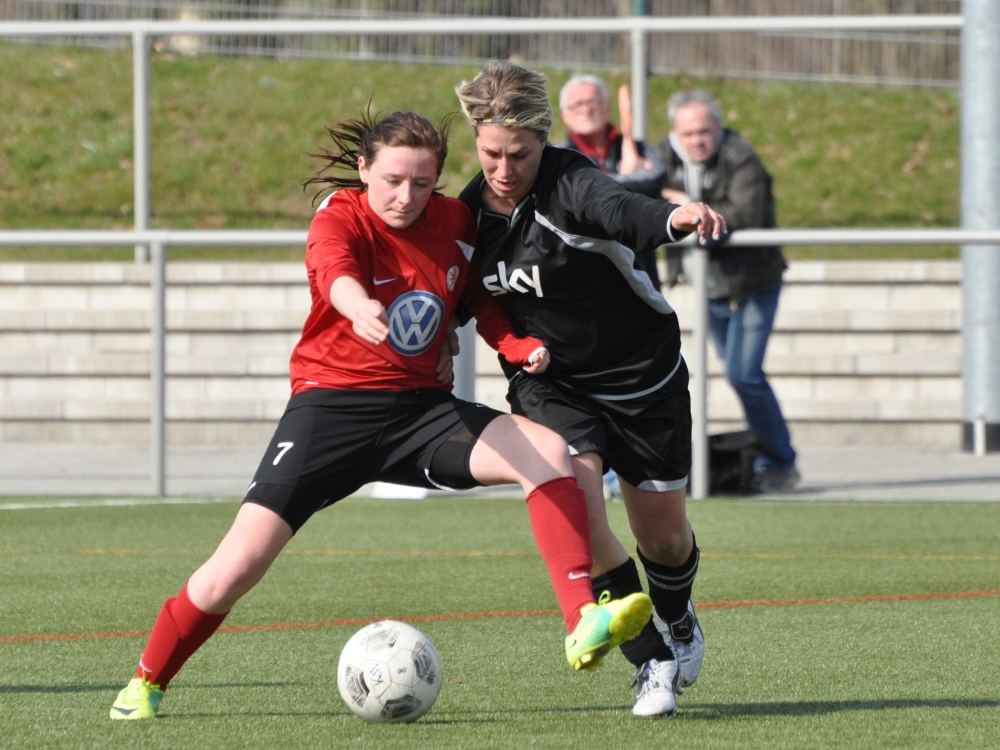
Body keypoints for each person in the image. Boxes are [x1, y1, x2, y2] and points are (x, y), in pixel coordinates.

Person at [108, 110, 654, 721]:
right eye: (393, 180)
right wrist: (358, 305)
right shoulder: (339, 214)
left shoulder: (454, 220)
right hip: (330, 411)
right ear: (364, 168)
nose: (406, 196)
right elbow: (335, 273)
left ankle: (581, 619)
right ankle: (146, 682)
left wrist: (512, 343)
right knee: (233, 570)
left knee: (548, 451)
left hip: (422, 412)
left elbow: (474, 294)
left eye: (422, 183)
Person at [454, 61, 727, 718]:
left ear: (542, 140)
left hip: (642, 380)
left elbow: (622, 210)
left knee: (664, 539)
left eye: (519, 154)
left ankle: (678, 616)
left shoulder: (572, 182)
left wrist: (676, 217)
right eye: (491, 153)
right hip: (552, 386)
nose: (503, 168)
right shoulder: (467, 216)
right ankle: (652, 659)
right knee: (577, 510)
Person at [654, 89, 799, 492]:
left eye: (704, 131)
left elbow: (743, 214)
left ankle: (782, 461)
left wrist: (688, 205)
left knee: (743, 373)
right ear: (675, 132)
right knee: (738, 374)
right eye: (687, 133)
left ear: (718, 127)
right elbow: (639, 197)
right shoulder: (662, 156)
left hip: (752, 283)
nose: (696, 140)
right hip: (708, 287)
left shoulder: (741, 157)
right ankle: (767, 459)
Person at [553, 74, 661, 286]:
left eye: (593, 101)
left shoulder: (636, 148)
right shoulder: (557, 157)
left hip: (639, 271)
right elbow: (568, 193)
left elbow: (656, 180)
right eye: (577, 104)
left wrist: (596, 185)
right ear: (564, 115)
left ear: (607, 107)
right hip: (582, 274)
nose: (586, 109)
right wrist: (628, 178)